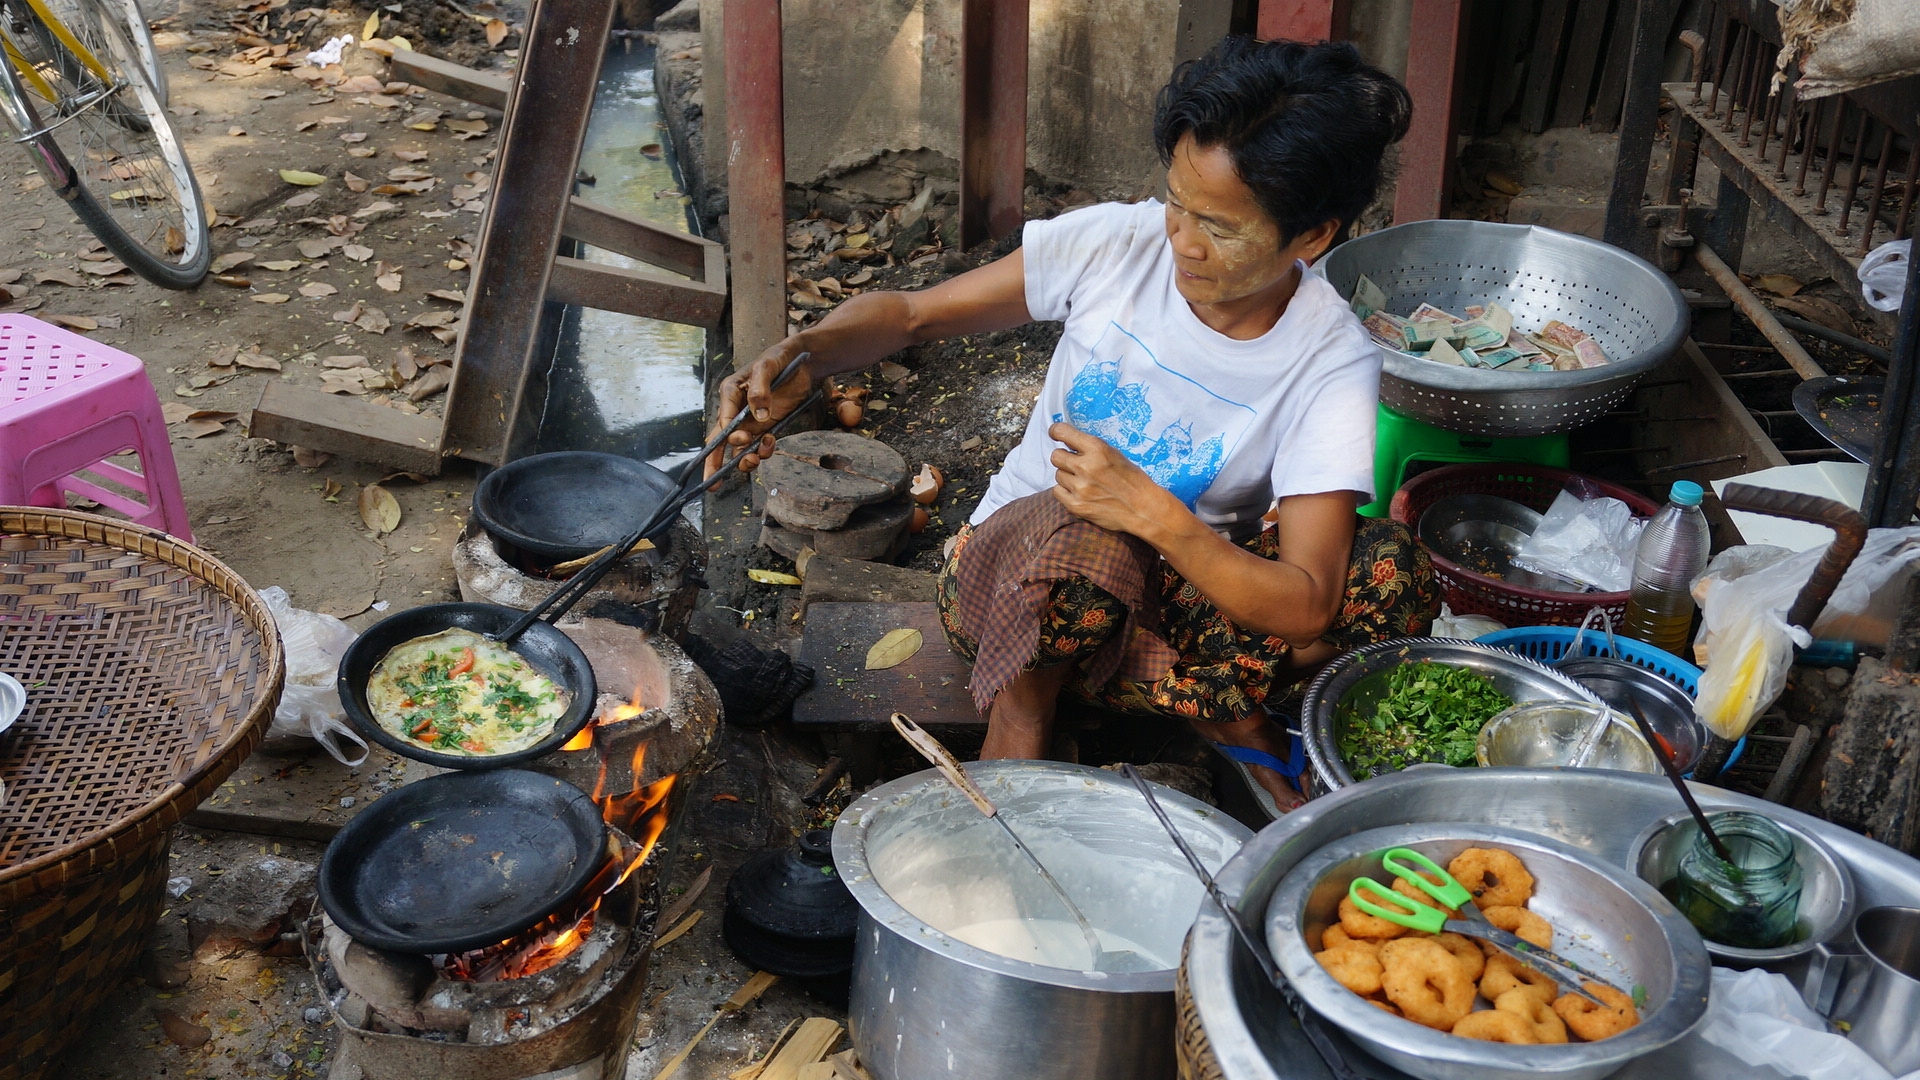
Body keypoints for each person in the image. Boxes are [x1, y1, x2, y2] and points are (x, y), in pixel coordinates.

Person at [708, 36, 1438, 814]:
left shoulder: (1331, 358)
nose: (1183, 242)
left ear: (1313, 235)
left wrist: (1154, 514)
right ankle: (1029, 714)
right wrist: (810, 354)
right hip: (1015, 593)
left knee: (1388, 570)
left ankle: (1201, 698)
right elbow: (914, 315)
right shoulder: (1118, 245)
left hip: (1171, 602)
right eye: (1178, 204)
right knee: (1084, 532)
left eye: (1220, 228)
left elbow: (1306, 605)